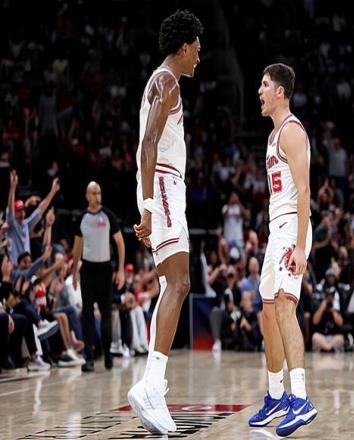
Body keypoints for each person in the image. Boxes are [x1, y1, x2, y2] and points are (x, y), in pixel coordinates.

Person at [127, 10, 203, 435]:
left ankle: (152, 384)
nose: (199, 58)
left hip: (164, 187)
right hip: (164, 185)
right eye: (197, 50)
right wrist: (149, 207)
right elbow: (148, 145)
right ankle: (152, 385)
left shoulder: (162, 81)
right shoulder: (167, 81)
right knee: (179, 283)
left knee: (170, 285)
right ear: (184, 45)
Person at [248, 63, 317, 437]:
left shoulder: (291, 131)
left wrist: (301, 246)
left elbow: (304, 192)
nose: (259, 91)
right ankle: (276, 395)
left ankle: (301, 399)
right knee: (268, 311)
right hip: (278, 230)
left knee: (286, 308)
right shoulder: (274, 134)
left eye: (264, 85)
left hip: (292, 228)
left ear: (280, 91)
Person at [71, 181, 125, 372]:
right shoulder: (82, 218)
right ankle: (89, 357)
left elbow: (120, 243)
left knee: (106, 314)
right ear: (87, 196)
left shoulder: (108, 216)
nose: (97, 196)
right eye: (94, 193)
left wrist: (120, 270)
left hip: (105, 270)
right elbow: (77, 248)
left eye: (99, 192)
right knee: (87, 314)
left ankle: (108, 353)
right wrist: (74, 273)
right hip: (87, 270)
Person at [6, 170, 60, 264]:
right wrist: (13, 187)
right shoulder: (12, 224)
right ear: (14, 214)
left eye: (22, 210)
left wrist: (53, 191)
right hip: (15, 268)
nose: (21, 212)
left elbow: (40, 209)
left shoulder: (26, 224)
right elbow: (10, 208)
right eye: (18, 211)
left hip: (27, 267)